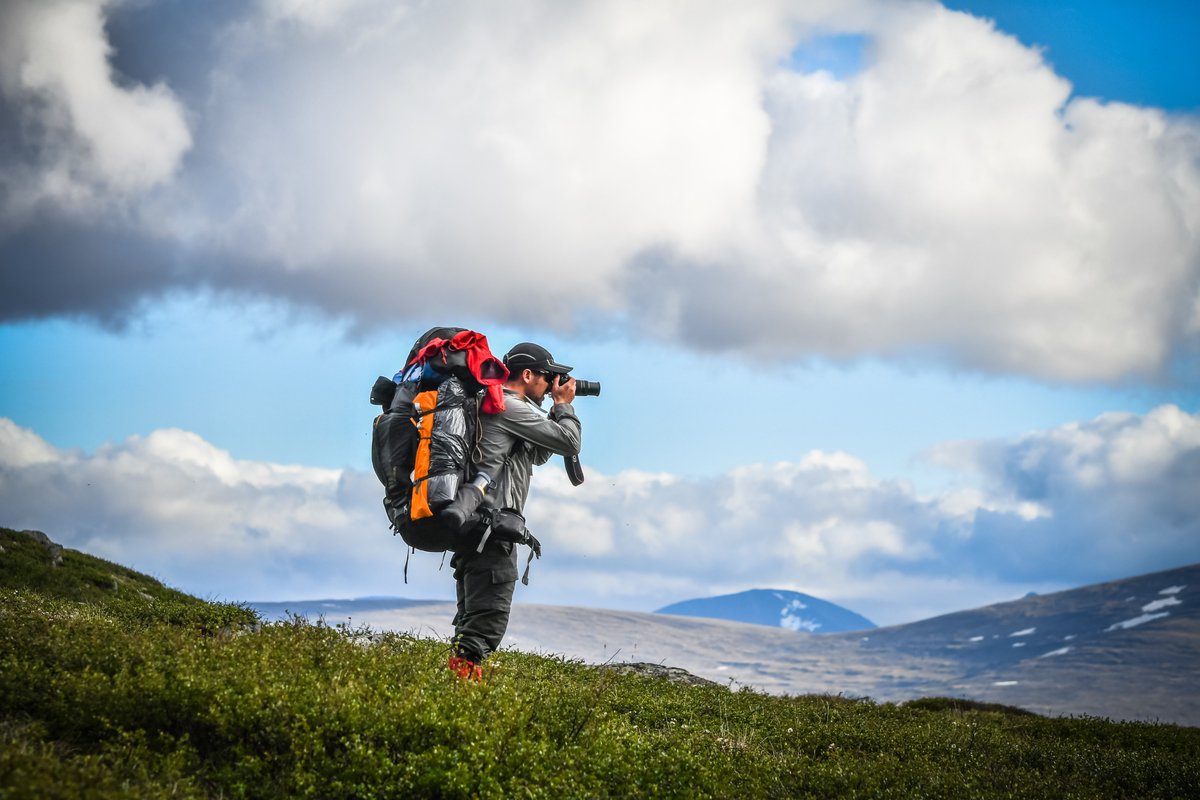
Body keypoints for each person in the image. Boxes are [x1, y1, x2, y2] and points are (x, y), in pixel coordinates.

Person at [446, 342, 582, 680]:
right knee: (484, 626)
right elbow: (570, 443)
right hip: (491, 533)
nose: (551, 384)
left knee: (471, 624)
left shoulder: (493, 404)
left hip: (474, 528)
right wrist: (563, 406)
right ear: (527, 374)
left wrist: (552, 414)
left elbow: (536, 455)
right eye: (548, 377)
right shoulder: (507, 407)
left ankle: (455, 693)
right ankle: (459, 702)